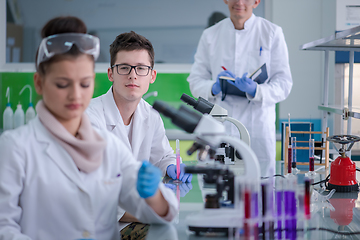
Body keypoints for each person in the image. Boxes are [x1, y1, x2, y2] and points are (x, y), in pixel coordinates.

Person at [0, 16, 178, 240]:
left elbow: (164, 212)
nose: (76, 95)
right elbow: (4, 228)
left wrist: (154, 195)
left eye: (84, 83)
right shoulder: (16, 147)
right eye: (62, 84)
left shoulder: (109, 146)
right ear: (39, 83)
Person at [85, 30, 192, 229]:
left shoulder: (151, 115)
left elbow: (162, 157)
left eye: (141, 68)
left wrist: (171, 166)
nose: (133, 75)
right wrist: (146, 214)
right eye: (124, 67)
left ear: (152, 76)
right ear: (111, 73)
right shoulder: (90, 118)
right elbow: (94, 187)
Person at [187, 0, 293, 177]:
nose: (240, 2)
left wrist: (256, 91)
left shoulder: (272, 33)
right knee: (217, 187)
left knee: (260, 187)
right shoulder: (210, 35)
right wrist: (213, 87)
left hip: (257, 127)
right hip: (220, 126)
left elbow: (284, 83)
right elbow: (195, 82)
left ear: (256, 2)